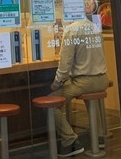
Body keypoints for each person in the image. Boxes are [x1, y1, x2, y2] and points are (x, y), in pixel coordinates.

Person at [50, 15, 109, 157]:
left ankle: (70, 141)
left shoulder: (72, 30)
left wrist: (56, 83)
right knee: (91, 99)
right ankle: (98, 136)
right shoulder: (94, 27)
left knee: (51, 104)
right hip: (102, 79)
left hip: (84, 81)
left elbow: (65, 65)